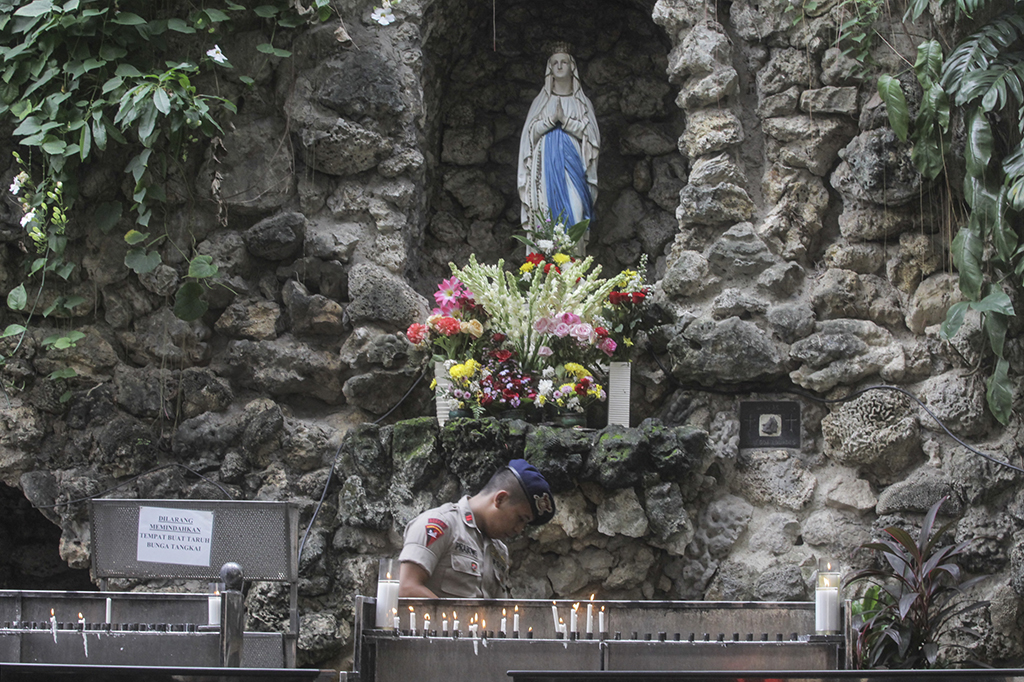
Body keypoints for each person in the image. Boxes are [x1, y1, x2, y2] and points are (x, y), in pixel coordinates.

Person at [398, 459, 556, 598]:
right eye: (520, 518)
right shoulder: (440, 525)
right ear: (500, 499)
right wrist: (457, 627)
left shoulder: (500, 551)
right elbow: (407, 589)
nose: (519, 529)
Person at [518, 45, 600, 231]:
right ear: (550, 69)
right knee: (546, 213)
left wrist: (566, 121)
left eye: (564, 62)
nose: (560, 66)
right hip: (545, 166)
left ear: (572, 67)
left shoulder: (582, 103)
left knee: (576, 211)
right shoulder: (541, 102)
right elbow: (529, 136)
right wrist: (549, 121)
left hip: (574, 163)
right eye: (555, 63)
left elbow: (592, 138)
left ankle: (575, 258)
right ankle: (545, 259)